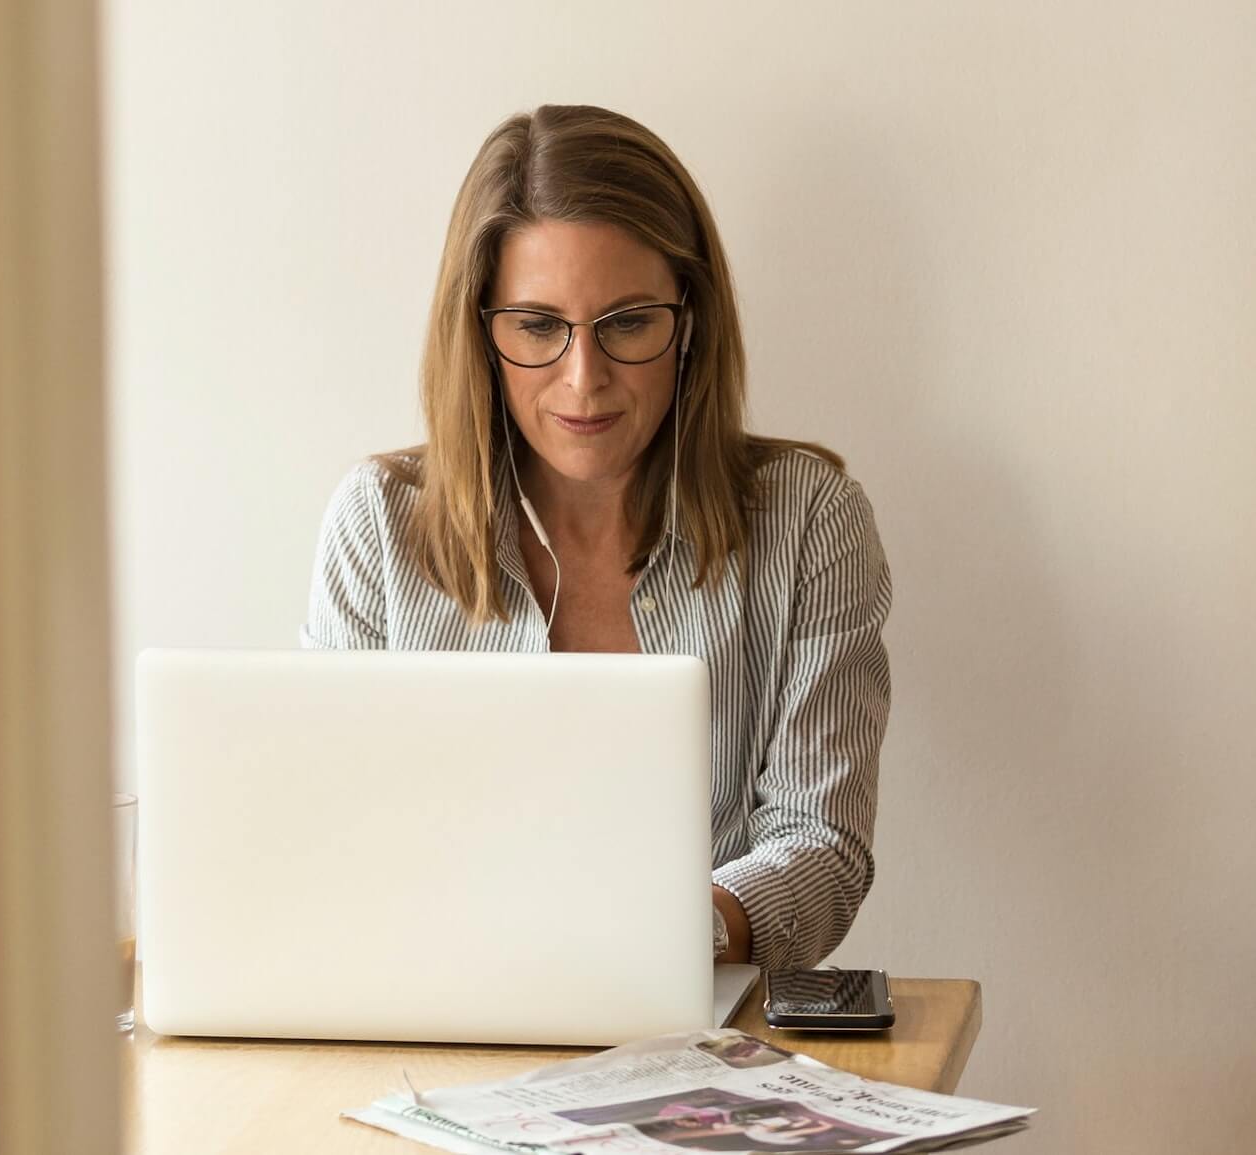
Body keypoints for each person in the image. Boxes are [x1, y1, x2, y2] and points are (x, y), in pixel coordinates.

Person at [300, 104, 892, 971]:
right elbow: (329, 838)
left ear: (687, 321)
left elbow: (822, 845)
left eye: (626, 323)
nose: (584, 380)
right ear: (480, 332)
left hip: (701, 1036)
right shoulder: (377, 524)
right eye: (538, 327)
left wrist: (660, 940)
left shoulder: (808, 521)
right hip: (431, 1020)